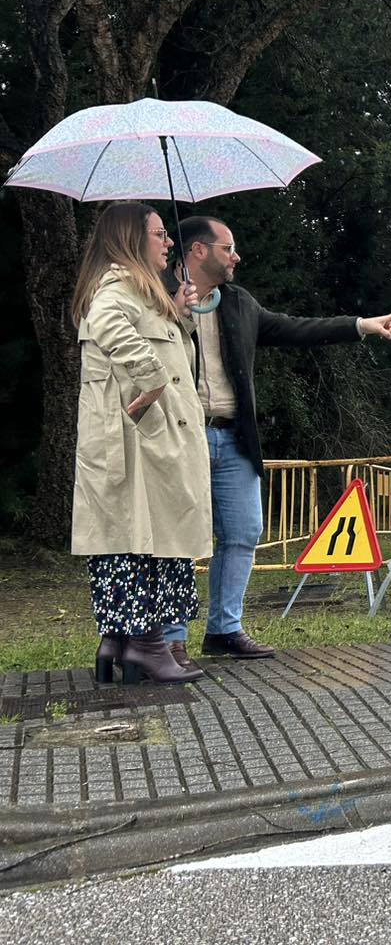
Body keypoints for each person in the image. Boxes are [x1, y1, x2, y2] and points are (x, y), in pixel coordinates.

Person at [162, 215, 391, 665]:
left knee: (244, 531)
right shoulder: (155, 294)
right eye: (227, 248)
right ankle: (171, 638)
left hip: (234, 437)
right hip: (180, 436)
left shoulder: (239, 302)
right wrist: (175, 311)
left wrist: (359, 325)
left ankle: (224, 629)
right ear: (197, 250)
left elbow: (297, 328)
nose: (237, 257)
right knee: (180, 537)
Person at [71, 202, 208, 685]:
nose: (167, 242)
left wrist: (182, 316)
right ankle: (146, 645)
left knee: (131, 538)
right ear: (131, 239)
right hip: (138, 442)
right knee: (148, 540)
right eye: (158, 233)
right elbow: (112, 330)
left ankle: (118, 640)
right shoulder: (117, 289)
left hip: (138, 440)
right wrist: (150, 381)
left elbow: (162, 346)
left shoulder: (142, 293)